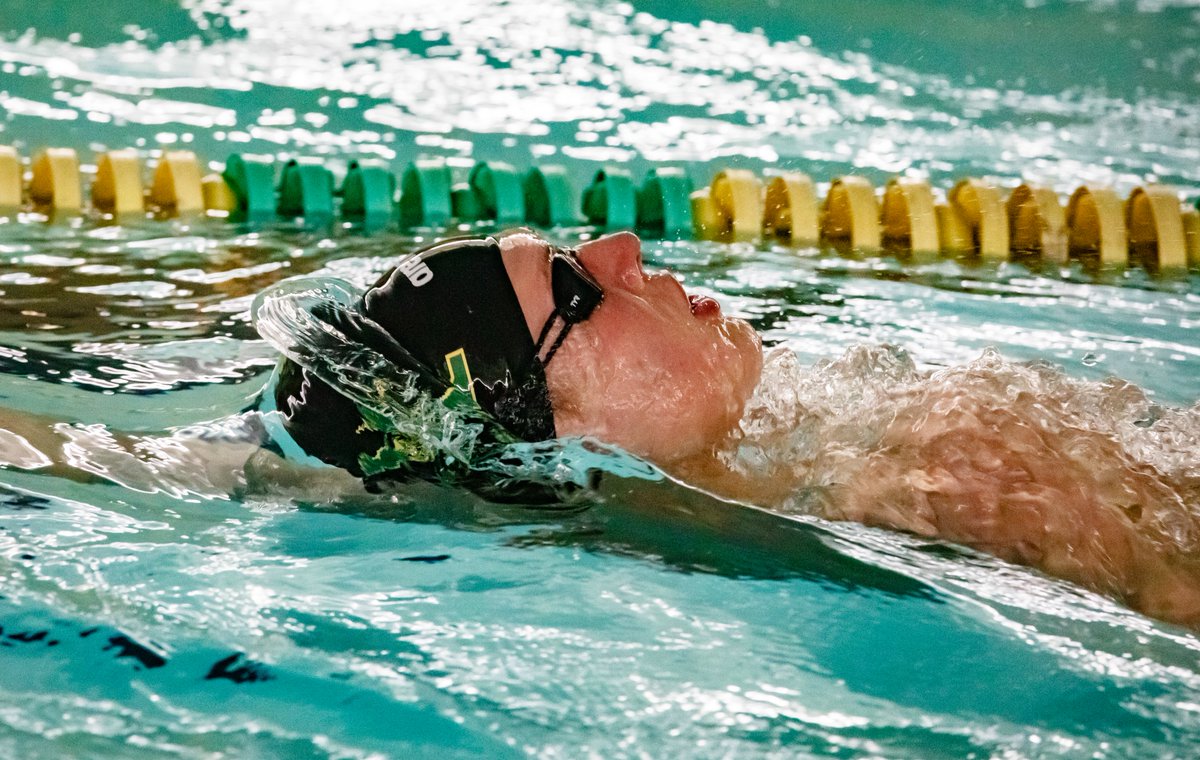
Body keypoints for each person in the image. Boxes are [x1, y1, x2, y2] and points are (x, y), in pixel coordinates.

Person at [0, 228, 1197, 627]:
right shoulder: (948, 484)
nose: (627, 252)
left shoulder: (874, 471)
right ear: (548, 441)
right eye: (578, 285)